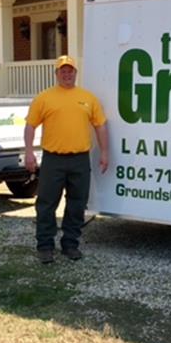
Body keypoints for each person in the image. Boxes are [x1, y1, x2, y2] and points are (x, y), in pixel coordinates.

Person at [24, 55, 108, 264]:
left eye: (70, 70)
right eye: (63, 71)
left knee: (77, 204)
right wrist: (28, 152)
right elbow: (30, 126)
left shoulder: (88, 98)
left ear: (75, 73)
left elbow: (100, 125)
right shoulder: (44, 98)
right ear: (57, 74)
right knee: (46, 203)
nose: (67, 74)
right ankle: (45, 246)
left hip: (80, 159)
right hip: (53, 160)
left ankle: (70, 244)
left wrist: (105, 152)